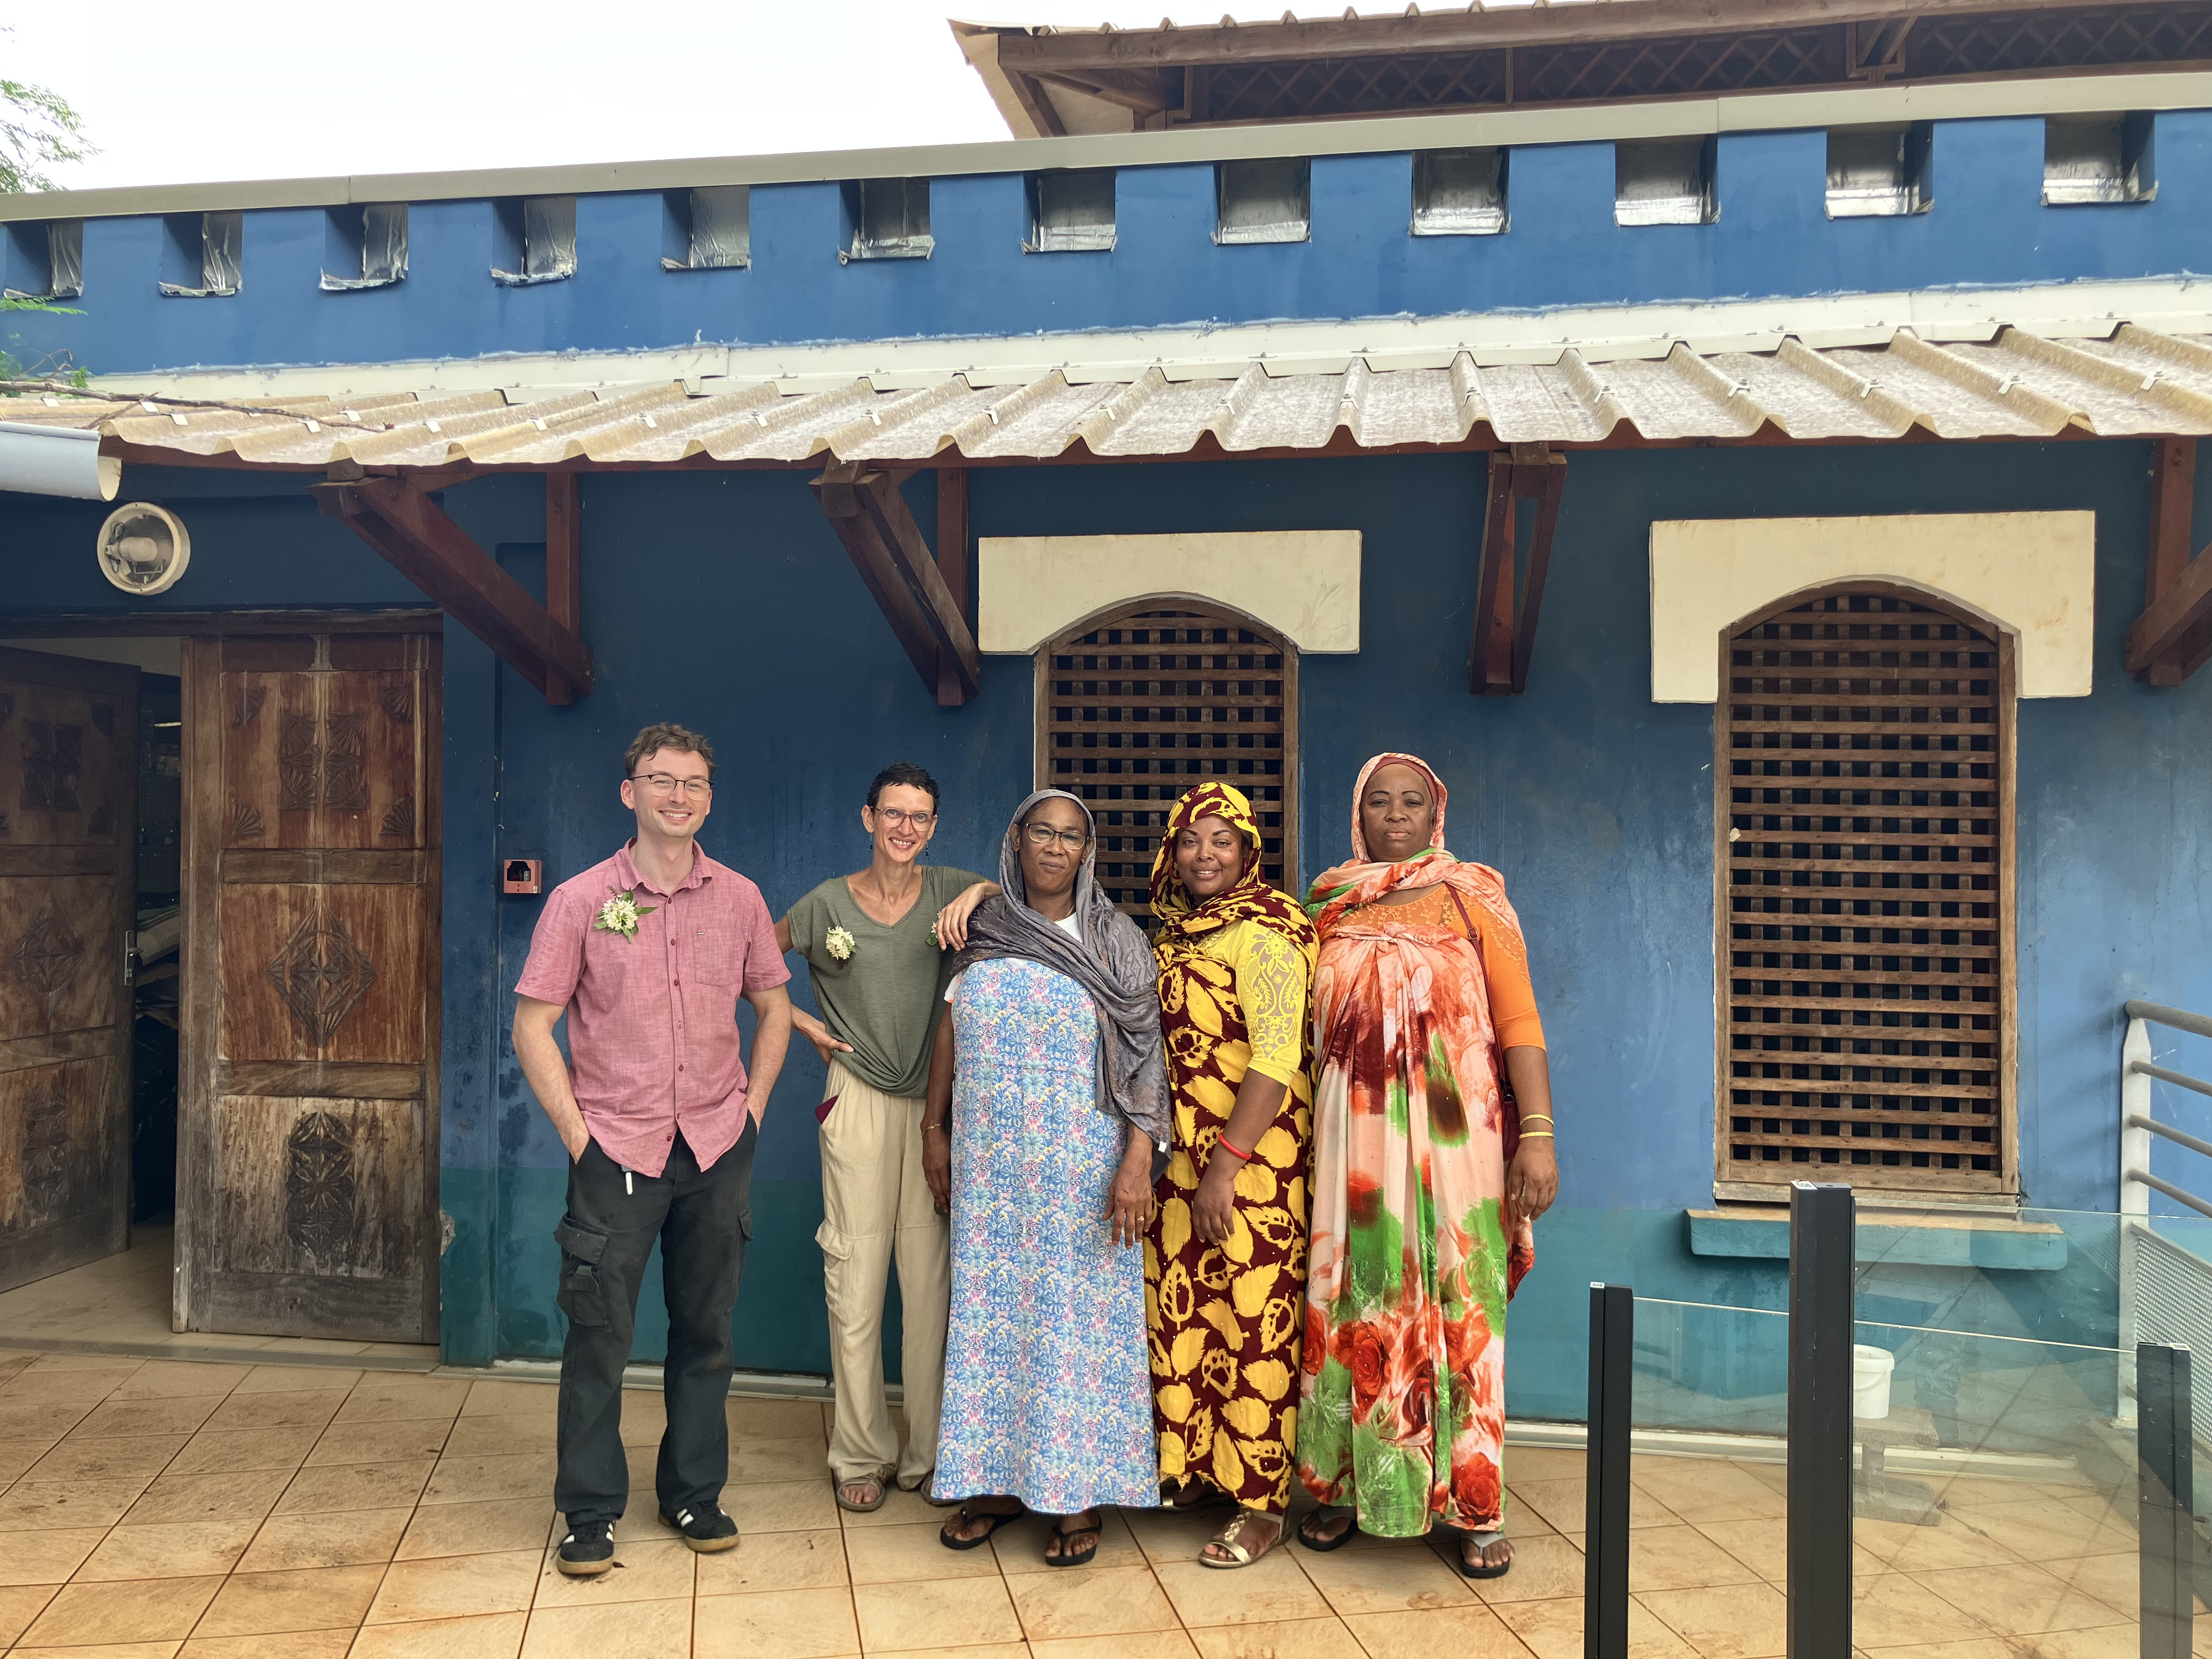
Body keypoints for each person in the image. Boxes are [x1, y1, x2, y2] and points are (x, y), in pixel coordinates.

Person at [512, 723, 794, 1577]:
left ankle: (692, 1494)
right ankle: (590, 1511)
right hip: (617, 1152)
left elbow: (774, 1008)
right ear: (628, 791)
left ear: (711, 796)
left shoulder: (740, 897)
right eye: (662, 780)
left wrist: (752, 1109)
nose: (679, 796)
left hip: (716, 1146)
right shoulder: (580, 898)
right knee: (598, 1336)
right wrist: (578, 1136)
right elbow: (534, 1023)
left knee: (706, 1332)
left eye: (695, 783)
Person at [1294, 753, 1560, 1580]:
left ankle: (1475, 1504)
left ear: (1435, 811)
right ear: (1358, 814)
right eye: (1380, 800)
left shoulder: (1473, 895)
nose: (1396, 813)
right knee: (1353, 1302)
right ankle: (1342, 1485)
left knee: (1459, 1300)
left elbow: (1518, 1019)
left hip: (1457, 1145)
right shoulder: (1328, 905)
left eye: (1412, 800)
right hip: (1351, 1153)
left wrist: (1540, 1135)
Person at [921, 789, 1169, 1566]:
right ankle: (993, 1483)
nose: (1056, 848)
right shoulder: (984, 927)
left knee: (1076, 1330)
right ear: (1017, 841)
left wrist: (1137, 1162)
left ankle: (1077, 1493)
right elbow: (950, 1030)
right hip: (992, 1168)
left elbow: (1144, 1057)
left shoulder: (1117, 940)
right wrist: (934, 1129)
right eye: (1042, 833)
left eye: (1071, 837)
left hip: (1082, 1168)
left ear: (1086, 852)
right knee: (992, 1323)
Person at [775, 761, 992, 1514]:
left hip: (938, 1105)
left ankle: (931, 1454)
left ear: (933, 827)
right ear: (867, 818)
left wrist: (977, 892)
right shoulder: (825, 904)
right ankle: (860, 1452)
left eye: (920, 817)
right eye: (893, 813)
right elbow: (743, 963)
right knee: (856, 1278)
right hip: (858, 1097)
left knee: (931, 1285)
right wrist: (795, 1020)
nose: (905, 827)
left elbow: (1017, 894)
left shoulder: (948, 888)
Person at [1145, 782, 1319, 1568]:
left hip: (1255, 1167)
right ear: (1172, 855)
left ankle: (1262, 1504)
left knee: (1256, 1321)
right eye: (1191, 841)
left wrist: (1226, 1167)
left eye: (1222, 840)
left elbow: (1277, 1058)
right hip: (1184, 1163)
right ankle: (1208, 1471)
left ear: (1249, 853)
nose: (1205, 855)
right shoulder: (1176, 938)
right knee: (1196, 1317)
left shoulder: (1267, 936)